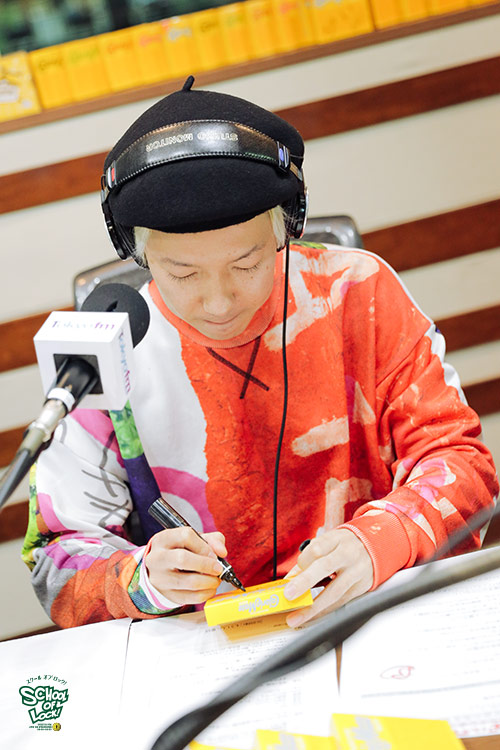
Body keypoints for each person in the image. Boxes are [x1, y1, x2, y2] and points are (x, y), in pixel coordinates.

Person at [22, 77, 498, 630]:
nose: (218, 302)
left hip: (370, 613)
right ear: (139, 252)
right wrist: (142, 579)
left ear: (284, 229)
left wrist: (381, 539)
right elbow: (55, 555)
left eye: (247, 264)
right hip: (199, 645)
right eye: (183, 274)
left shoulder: (359, 294)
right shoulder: (105, 349)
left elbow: (462, 464)